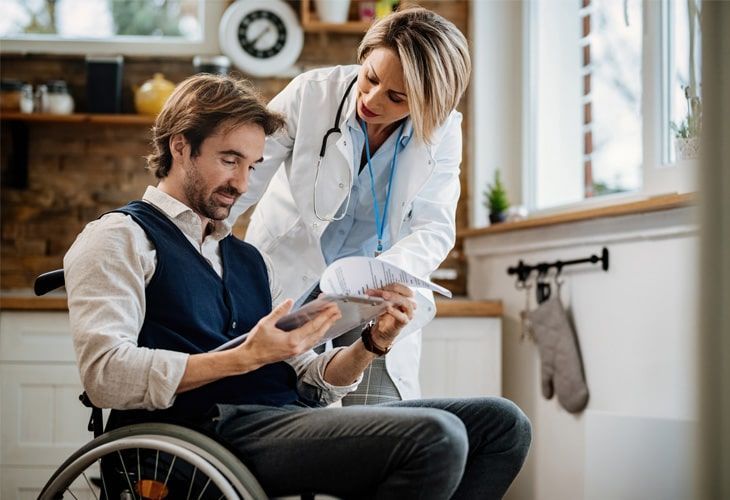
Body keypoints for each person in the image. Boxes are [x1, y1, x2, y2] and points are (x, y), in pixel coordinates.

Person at [64, 74, 531, 499]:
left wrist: (372, 341)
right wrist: (244, 358)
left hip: (282, 421)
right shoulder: (119, 238)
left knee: (501, 425)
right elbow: (105, 375)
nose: (243, 184)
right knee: (436, 437)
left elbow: (310, 383)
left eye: (252, 166)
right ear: (181, 146)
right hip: (204, 433)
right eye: (230, 161)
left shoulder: (249, 261)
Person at [228, 7, 471, 405]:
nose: (372, 99)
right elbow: (244, 179)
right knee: (278, 408)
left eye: (396, 97)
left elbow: (434, 226)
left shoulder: (443, 131)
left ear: (430, 103)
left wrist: (392, 271)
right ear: (364, 56)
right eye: (370, 78)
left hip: (373, 294)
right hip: (289, 278)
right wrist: (197, 245)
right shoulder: (312, 93)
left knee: (380, 420)